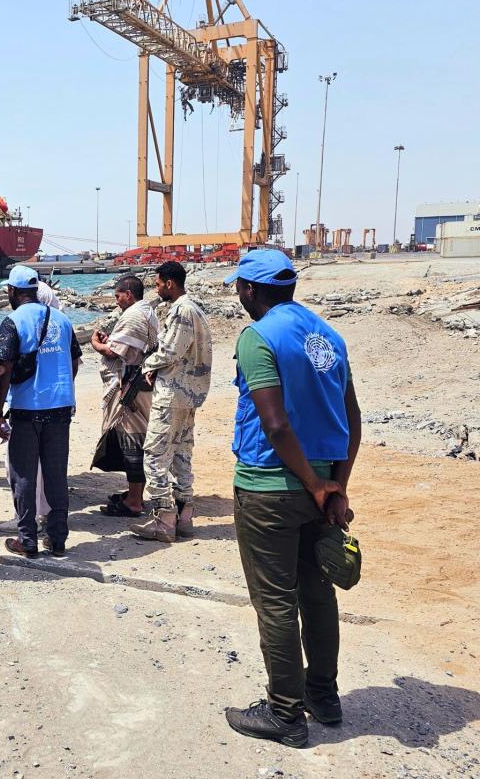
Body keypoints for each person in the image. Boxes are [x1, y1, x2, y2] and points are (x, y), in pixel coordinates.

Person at [222, 249, 359, 749]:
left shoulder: (259, 338)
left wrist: (315, 483)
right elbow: (353, 419)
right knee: (317, 594)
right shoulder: (329, 336)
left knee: (276, 601)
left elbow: (275, 425)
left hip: (270, 490)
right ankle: (323, 697)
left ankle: (285, 715)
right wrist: (333, 485)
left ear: (251, 290)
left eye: (239, 288)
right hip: (321, 487)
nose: (239, 296)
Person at [0, 265, 82, 558]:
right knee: (57, 475)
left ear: (12, 291)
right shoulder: (63, 319)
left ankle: (27, 540)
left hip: (27, 408)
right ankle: (58, 540)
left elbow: (3, 368)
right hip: (60, 408)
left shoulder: (11, 321)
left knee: (24, 476)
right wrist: (62, 388)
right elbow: (74, 361)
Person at [129, 261, 213, 542]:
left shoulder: (182, 310)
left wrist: (146, 365)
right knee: (181, 453)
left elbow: (169, 351)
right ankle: (184, 513)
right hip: (188, 393)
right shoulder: (196, 308)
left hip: (174, 392)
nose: (156, 288)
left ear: (170, 283)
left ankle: (164, 519)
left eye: (158, 283)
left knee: (154, 453)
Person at [90, 275, 159, 516]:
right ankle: (133, 494)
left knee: (133, 442)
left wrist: (96, 344)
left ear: (128, 294)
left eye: (118, 296)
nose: (116, 301)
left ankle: (134, 501)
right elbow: (128, 347)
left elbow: (112, 352)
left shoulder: (133, 315)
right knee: (133, 439)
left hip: (131, 387)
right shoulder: (147, 312)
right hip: (140, 384)